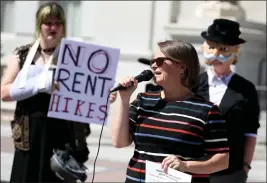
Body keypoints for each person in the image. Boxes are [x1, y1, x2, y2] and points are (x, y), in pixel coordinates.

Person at [0, 2, 116, 182]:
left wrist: (103, 95)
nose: (53, 27)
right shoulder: (22, 55)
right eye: (48, 22)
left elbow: (89, 90)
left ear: (64, 27)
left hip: (62, 138)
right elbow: (4, 93)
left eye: (58, 23)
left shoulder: (76, 57)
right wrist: (37, 84)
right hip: (29, 137)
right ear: (39, 25)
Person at [111, 40, 230, 183]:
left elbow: (222, 160)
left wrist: (186, 165)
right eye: (152, 61)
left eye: (160, 60)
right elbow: (119, 142)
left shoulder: (207, 110)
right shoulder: (143, 101)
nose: (154, 65)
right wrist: (124, 99)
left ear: (182, 67)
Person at [193, 18, 261, 183]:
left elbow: (250, 133)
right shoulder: (193, 84)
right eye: (212, 47)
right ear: (204, 47)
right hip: (193, 167)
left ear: (236, 50)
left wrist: (245, 167)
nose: (216, 54)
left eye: (223, 49)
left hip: (229, 172)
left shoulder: (246, 89)